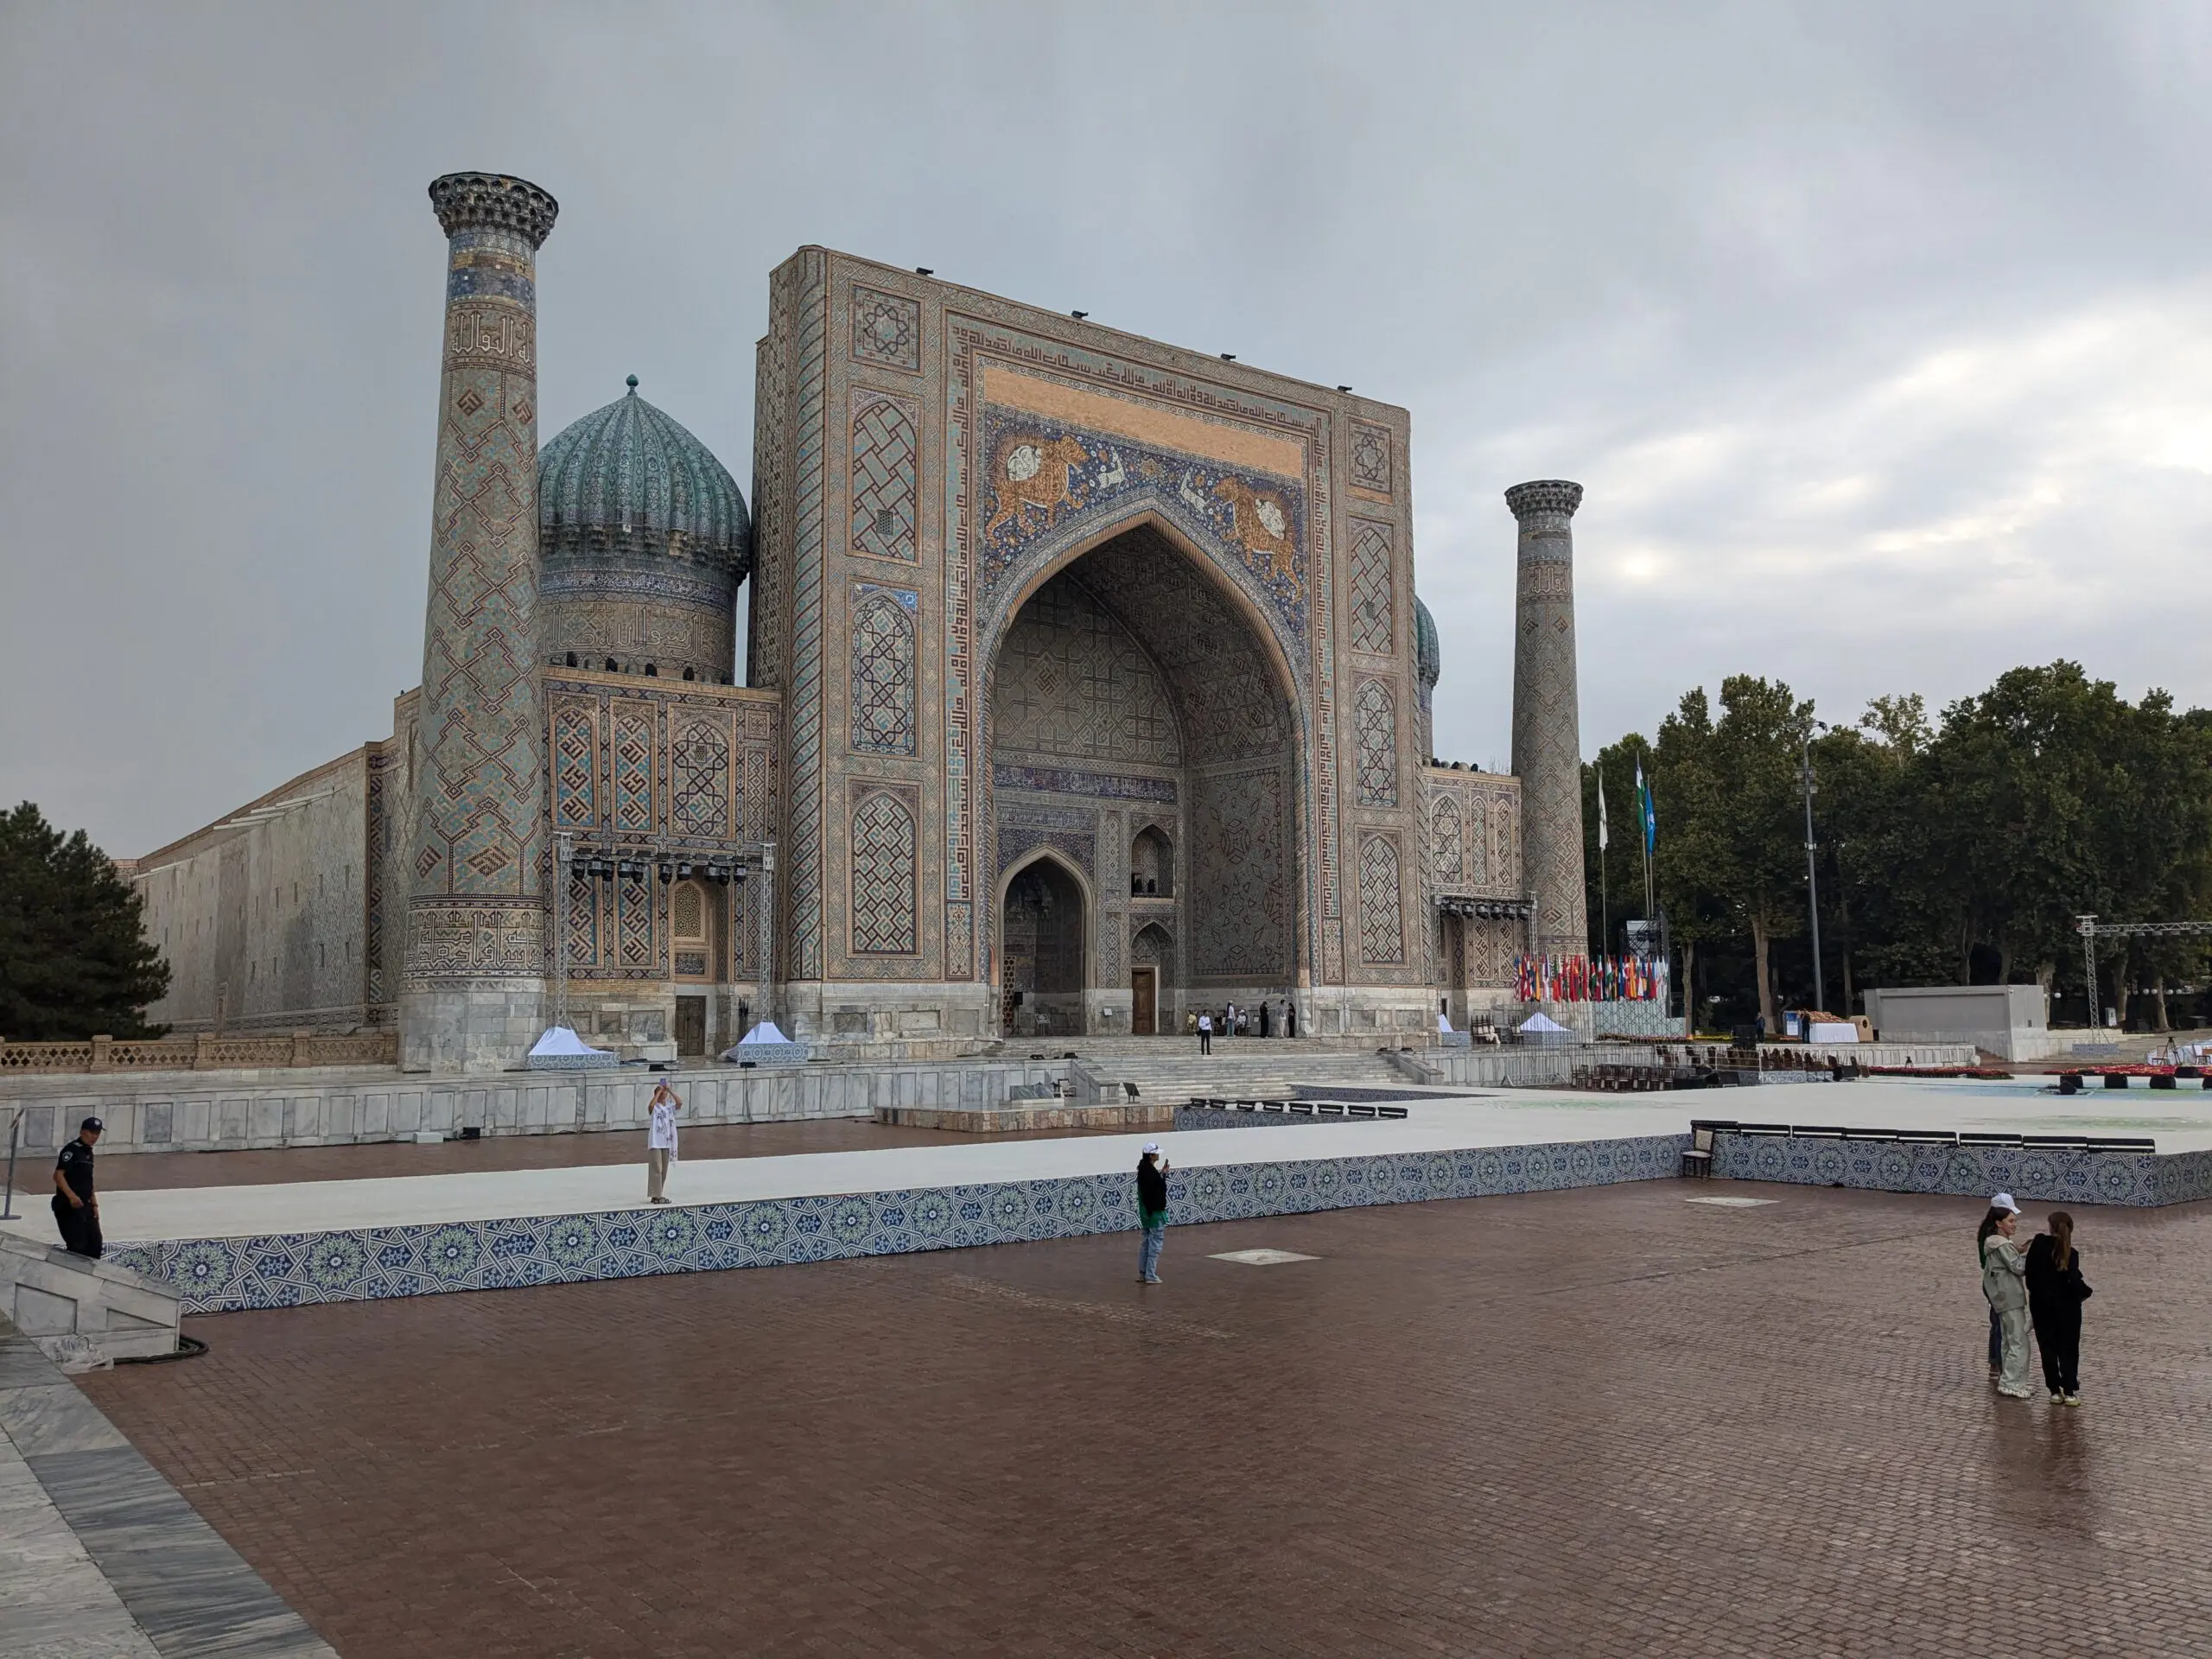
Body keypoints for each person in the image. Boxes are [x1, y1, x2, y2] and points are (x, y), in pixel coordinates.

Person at [2025, 1211, 2093, 1405]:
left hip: (2041, 1305)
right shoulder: (2070, 1253)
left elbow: (2030, 1277)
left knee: (2047, 1347)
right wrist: (2086, 1293)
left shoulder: (2038, 1245)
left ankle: (2054, 1390)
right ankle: (2070, 1390)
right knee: (2069, 1348)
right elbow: (2074, 1281)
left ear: (2050, 1226)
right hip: (2068, 1308)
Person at [1980, 1193, 2032, 1397]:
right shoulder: (2002, 1244)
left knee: (2009, 1340)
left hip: (2003, 1297)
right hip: (2009, 1297)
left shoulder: (1994, 1242)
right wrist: (2034, 1256)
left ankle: (2010, 1380)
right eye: (2011, 1221)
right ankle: (2012, 1382)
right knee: (2018, 1340)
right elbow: (2018, 1267)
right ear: (1999, 1223)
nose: (2014, 1225)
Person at [1974, 1194, 2017, 1377]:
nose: (2014, 1223)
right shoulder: (1994, 1237)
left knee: (1997, 1322)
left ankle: (1995, 1363)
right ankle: (1999, 1364)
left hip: (1991, 1281)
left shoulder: (1989, 1232)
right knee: (2000, 1324)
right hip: (1997, 1282)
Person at [52, 1116, 104, 1259]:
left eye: (97, 1133)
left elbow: (88, 1181)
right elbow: (58, 1176)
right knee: (78, 1247)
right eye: (91, 1132)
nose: (94, 1137)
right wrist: (72, 1196)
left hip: (86, 1206)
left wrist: (94, 1204)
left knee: (95, 1244)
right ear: (82, 1132)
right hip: (70, 1207)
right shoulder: (72, 1150)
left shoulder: (88, 1152)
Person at [1135, 1142, 1170, 1283]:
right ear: (1151, 1155)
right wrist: (1162, 1177)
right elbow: (1157, 1191)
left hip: (1146, 1216)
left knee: (1146, 1245)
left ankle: (1143, 1273)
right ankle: (1151, 1275)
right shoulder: (1150, 1173)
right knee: (1155, 1246)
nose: (1158, 1155)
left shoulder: (1144, 1172)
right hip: (1155, 1215)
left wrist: (1161, 1174)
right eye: (1156, 1153)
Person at [645, 1080, 683, 1205]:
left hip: (667, 1142)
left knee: (664, 1170)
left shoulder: (669, 1108)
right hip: (656, 1142)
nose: (663, 1095)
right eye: (661, 1093)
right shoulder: (655, 1107)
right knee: (657, 1168)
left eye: (664, 1093)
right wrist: (658, 1091)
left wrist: (670, 1090)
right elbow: (650, 1106)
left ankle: (658, 1194)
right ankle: (656, 1195)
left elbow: (680, 1102)